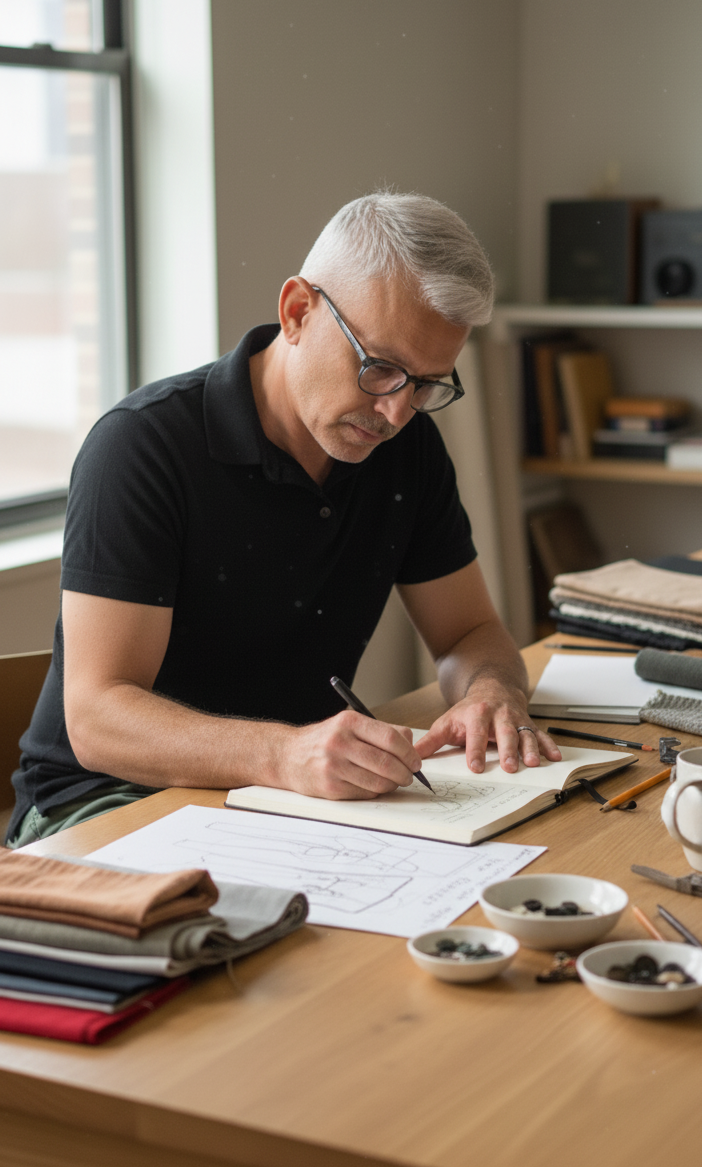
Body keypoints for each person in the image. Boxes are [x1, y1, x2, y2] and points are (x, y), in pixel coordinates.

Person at [6, 192, 560, 847]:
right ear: (298, 311)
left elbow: (469, 630)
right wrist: (283, 754)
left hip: (281, 800)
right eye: (379, 367)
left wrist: (490, 692)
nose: (395, 414)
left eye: (427, 383)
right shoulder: (141, 447)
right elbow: (97, 719)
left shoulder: (405, 446)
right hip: (104, 807)